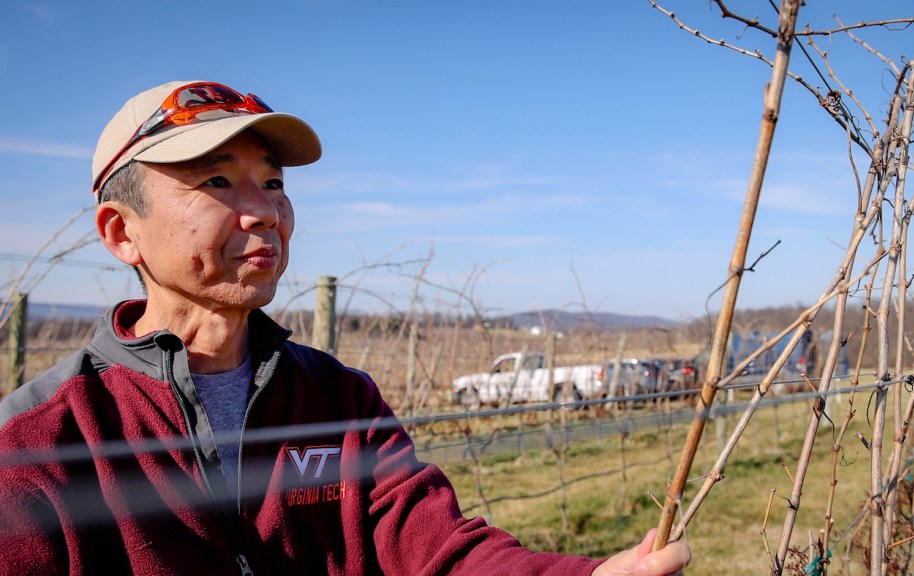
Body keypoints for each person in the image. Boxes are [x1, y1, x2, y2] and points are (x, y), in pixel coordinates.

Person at [0, 81, 691, 575]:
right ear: (123, 233)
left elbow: (434, 548)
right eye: (217, 182)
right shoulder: (44, 442)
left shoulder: (339, 403)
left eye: (273, 184)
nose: (263, 211)